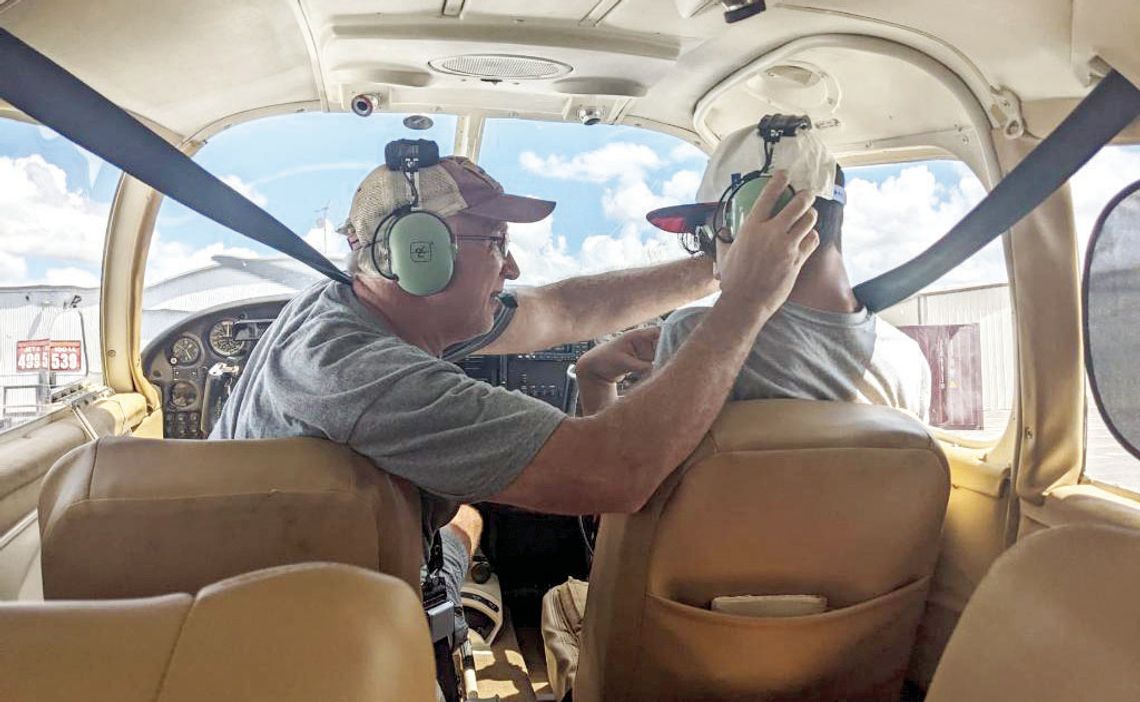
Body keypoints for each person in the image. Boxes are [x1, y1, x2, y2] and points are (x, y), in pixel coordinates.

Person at [211, 148, 819, 658]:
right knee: (470, 519)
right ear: (419, 253)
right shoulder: (354, 370)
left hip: (327, 578)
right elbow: (616, 472)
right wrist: (745, 302)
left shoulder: (362, 310)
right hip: (300, 634)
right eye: (498, 243)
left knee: (466, 517)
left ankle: (467, 581)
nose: (513, 266)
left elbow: (565, 309)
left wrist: (717, 268)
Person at [542, 120, 931, 701]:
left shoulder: (698, 332)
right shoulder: (907, 361)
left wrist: (595, 377)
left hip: (680, 669)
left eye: (706, 233)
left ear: (744, 216)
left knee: (557, 600)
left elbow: (616, 506)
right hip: (834, 673)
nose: (708, 254)